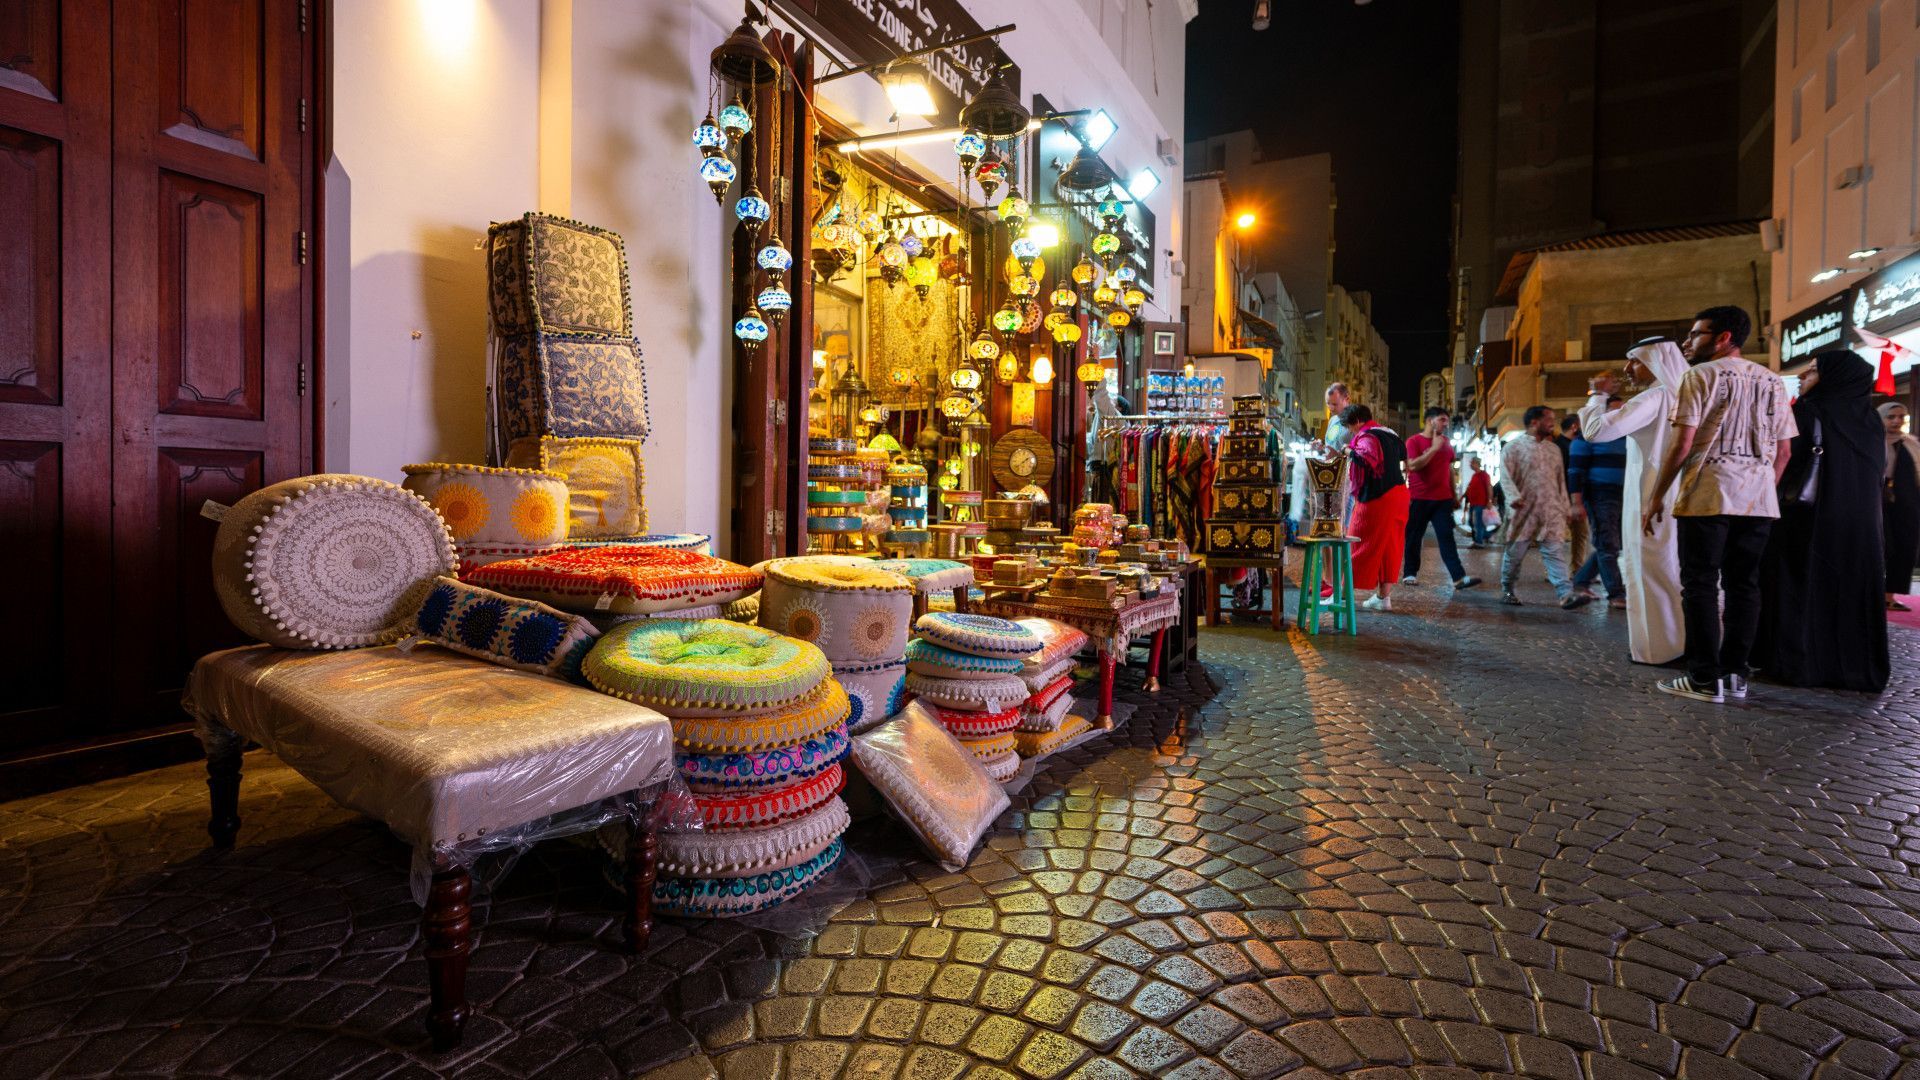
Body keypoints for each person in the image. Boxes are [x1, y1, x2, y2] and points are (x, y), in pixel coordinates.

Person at [1643, 305, 1795, 703]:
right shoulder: (1773, 381)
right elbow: (1784, 453)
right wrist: (1763, 488)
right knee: (1745, 586)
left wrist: (1657, 496)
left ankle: (1704, 678)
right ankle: (1735, 676)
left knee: (1700, 585)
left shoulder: (1698, 376)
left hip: (1707, 494)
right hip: (1758, 502)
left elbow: (1683, 443)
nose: (1687, 342)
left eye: (1696, 334)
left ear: (1724, 337)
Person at [1753, 351, 1887, 691]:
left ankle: (1796, 664)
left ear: (1832, 377)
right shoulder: (1870, 421)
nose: (1802, 375)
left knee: (1798, 585)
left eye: (1812, 371)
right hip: (1859, 527)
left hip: (1806, 520)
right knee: (1849, 590)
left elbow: (1783, 460)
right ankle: (1853, 668)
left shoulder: (1807, 411)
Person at [1579, 341, 1689, 664]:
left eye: (1635, 363)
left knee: (1651, 569)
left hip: (1652, 496)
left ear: (1655, 362)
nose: (1628, 371)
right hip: (1675, 493)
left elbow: (1597, 431)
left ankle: (1662, 650)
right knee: (1671, 569)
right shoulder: (1682, 394)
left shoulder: (1656, 396)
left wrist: (1596, 395)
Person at [1500, 405, 1587, 608]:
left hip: (1551, 512)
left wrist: (1565, 508)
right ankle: (1507, 589)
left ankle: (1565, 594)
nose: (1552, 423)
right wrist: (1513, 497)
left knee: (1555, 552)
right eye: (1549, 419)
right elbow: (1505, 477)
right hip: (1523, 512)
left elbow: (1560, 482)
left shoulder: (1554, 450)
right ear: (1534, 422)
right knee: (1515, 555)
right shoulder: (1512, 448)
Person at [1400, 408, 1481, 589]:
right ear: (1430, 420)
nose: (1446, 423)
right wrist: (1433, 449)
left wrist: (1454, 495)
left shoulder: (1446, 442)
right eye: (1442, 420)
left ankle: (1458, 577)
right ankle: (1410, 573)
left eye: (1447, 420)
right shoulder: (1414, 441)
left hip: (1442, 500)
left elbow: (1449, 470)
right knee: (1414, 537)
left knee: (1447, 537)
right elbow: (1412, 465)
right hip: (1419, 498)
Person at [1341, 404, 1410, 611]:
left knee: (1356, 542)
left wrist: (1347, 450)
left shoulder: (1367, 437)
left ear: (1357, 421)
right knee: (1390, 546)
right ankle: (1383, 599)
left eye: (1350, 427)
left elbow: (1365, 457)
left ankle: (1341, 597)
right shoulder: (1390, 433)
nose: (1351, 431)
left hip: (1377, 498)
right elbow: (1403, 456)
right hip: (1399, 495)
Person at [1567, 399, 1628, 608]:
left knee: (1611, 544)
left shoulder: (1626, 434)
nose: (1622, 412)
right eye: (1617, 408)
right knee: (1608, 544)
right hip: (1599, 494)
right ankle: (1616, 594)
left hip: (1624, 496)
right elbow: (1575, 471)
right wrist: (1577, 502)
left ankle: (1581, 581)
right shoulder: (1588, 435)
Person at [1882, 402, 1920, 609]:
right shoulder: (1873, 442)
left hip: (1907, 505)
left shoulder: (1911, 444)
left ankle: (1889, 597)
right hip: (1877, 505)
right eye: (1891, 417)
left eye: (1901, 417)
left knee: (1905, 548)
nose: (1897, 421)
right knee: (1881, 548)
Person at [1556, 415, 1590, 572]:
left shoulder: (1566, 445)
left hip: (1573, 498)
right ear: (1575, 426)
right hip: (1562, 499)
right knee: (1558, 536)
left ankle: (1576, 568)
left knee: (1579, 534)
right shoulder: (1559, 447)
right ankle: (1560, 570)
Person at [1463, 457, 1493, 547]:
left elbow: (1489, 488)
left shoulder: (1484, 475)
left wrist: (1489, 501)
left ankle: (1479, 542)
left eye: (1472, 463)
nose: (1470, 465)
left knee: (1478, 523)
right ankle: (1488, 536)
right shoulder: (1474, 475)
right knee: (1471, 522)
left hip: (1480, 503)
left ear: (1477, 464)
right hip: (1473, 503)